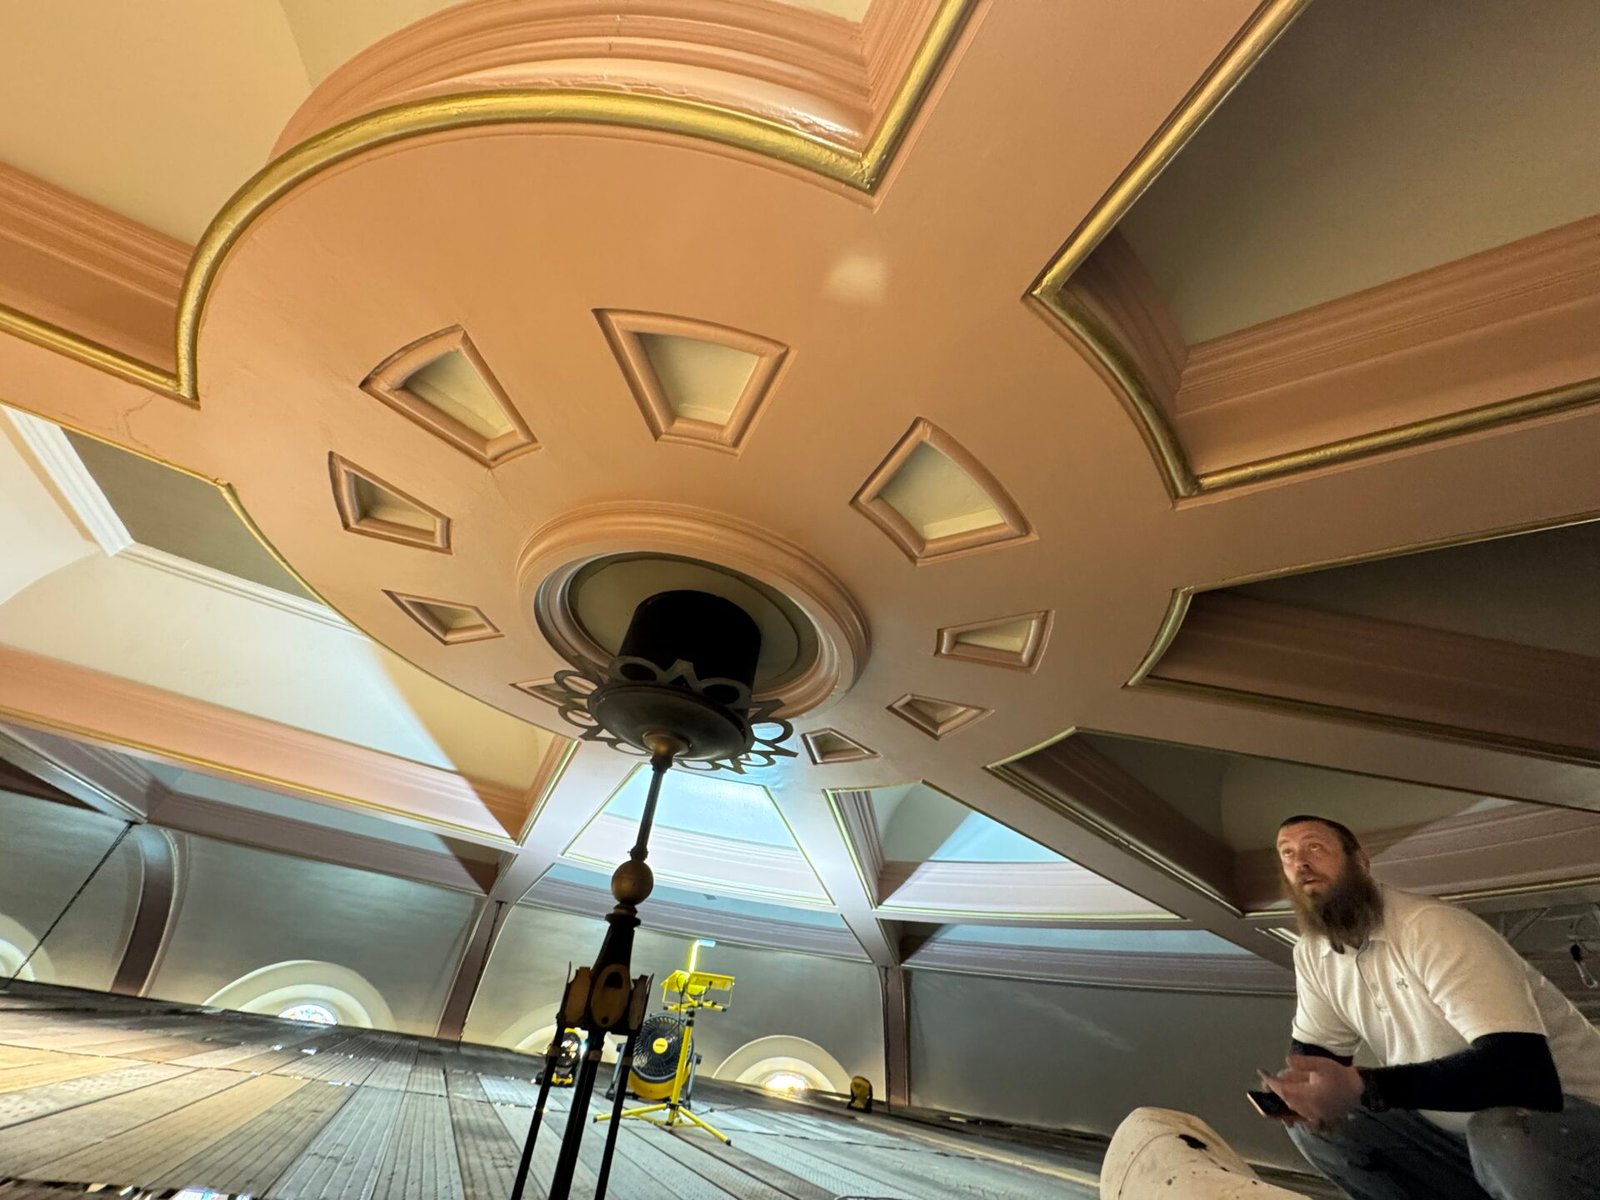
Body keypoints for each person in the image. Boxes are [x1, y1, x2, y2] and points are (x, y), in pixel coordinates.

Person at [1262, 814, 1600, 1200]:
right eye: (1287, 854)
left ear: (1360, 861)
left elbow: (1524, 1075)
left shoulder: (1433, 928)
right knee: (1320, 1124)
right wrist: (1301, 1092)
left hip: (1569, 1124)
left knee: (1502, 1131)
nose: (1301, 863)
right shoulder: (1312, 953)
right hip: (1462, 1142)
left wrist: (1366, 1086)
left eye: (1315, 847)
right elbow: (1317, 1059)